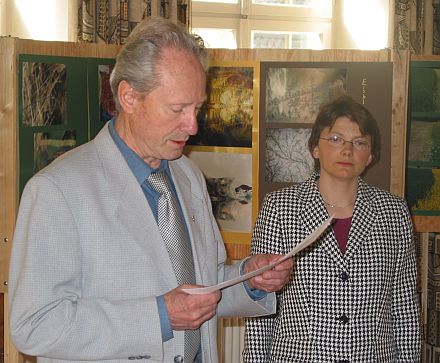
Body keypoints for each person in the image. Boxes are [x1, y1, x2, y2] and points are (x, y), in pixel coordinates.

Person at [8, 18, 293, 363]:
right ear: (129, 97)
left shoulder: (187, 175)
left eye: (197, 108)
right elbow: (35, 325)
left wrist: (249, 280)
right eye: (177, 109)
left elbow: (202, 285)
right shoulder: (57, 191)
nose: (193, 126)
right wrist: (158, 317)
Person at [243, 95, 421, 362]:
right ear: (315, 147)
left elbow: (405, 307)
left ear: (370, 155)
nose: (347, 150)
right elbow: (261, 307)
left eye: (359, 142)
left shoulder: (393, 213)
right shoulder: (279, 209)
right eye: (336, 139)